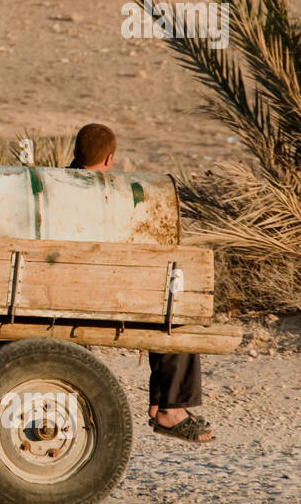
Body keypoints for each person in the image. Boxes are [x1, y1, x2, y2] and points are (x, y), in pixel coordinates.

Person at [69, 123, 214, 443]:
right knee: (174, 309)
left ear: (75, 154)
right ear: (109, 159)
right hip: (98, 296)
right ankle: (169, 409)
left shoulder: (56, 186)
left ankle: (161, 404)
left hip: (64, 288)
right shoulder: (115, 195)